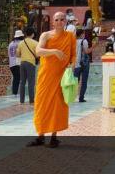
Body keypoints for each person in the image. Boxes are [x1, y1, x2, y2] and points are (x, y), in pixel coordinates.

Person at [29, 11, 76, 148]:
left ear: (65, 22)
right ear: (53, 22)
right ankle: (40, 136)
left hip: (61, 77)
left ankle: (53, 137)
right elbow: (38, 51)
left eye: (62, 19)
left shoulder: (70, 36)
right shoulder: (46, 35)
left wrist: (71, 66)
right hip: (46, 76)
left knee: (58, 106)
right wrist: (54, 51)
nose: (60, 22)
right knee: (41, 105)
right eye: (57, 19)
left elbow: (73, 56)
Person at [16, 27, 39, 104]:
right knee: (31, 82)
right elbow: (37, 54)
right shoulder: (35, 43)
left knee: (22, 82)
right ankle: (31, 100)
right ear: (32, 34)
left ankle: (21, 100)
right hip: (31, 63)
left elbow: (17, 54)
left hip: (22, 63)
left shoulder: (21, 43)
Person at [74, 28, 93, 102]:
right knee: (84, 81)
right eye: (83, 33)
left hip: (76, 64)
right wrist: (94, 46)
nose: (84, 35)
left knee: (75, 81)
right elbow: (87, 51)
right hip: (84, 64)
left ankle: (71, 96)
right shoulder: (84, 41)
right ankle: (81, 98)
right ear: (81, 34)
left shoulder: (73, 41)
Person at [8, 30, 22, 96]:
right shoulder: (20, 43)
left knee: (16, 77)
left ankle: (14, 92)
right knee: (17, 78)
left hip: (11, 64)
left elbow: (9, 54)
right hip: (17, 63)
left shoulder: (10, 44)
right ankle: (15, 93)